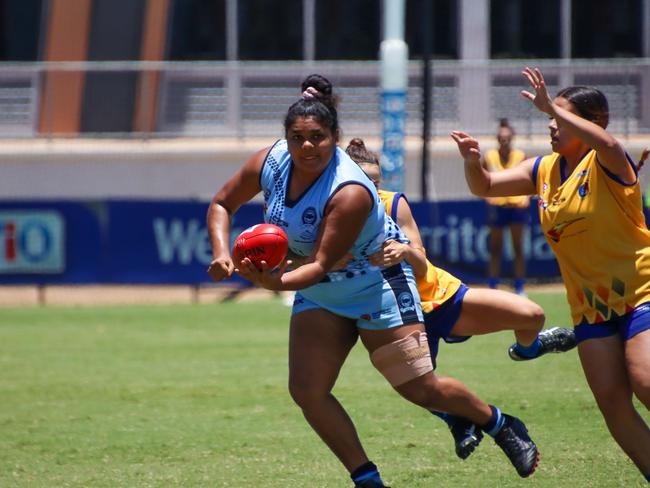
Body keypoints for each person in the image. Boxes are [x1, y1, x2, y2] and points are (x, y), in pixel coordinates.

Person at [207, 74, 540, 486]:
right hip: (321, 292)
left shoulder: (349, 190)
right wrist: (223, 254)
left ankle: (500, 423)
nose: (306, 146)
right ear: (286, 137)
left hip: (376, 287)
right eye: (297, 137)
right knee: (308, 391)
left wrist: (272, 283)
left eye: (317, 137)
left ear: (335, 137)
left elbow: (321, 264)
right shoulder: (271, 161)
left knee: (421, 389)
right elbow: (223, 202)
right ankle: (366, 479)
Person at [451, 66, 650, 483]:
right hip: (590, 308)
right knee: (613, 403)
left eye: (558, 118)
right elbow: (484, 186)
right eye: (550, 118)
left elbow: (611, 141)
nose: (551, 126)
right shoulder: (543, 169)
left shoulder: (608, 160)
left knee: (645, 381)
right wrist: (472, 162)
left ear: (590, 124)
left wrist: (553, 107)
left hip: (640, 291)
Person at [345, 137, 576, 460]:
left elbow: (422, 261)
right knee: (420, 388)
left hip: (440, 296)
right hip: (397, 315)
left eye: (376, 182)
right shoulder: (336, 214)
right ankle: (459, 420)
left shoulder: (392, 203)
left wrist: (405, 250)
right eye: (363, 182)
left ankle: (530, 348)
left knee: (532, 315)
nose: (371, 189)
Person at [483, 119, 530, 295]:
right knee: (495, 248)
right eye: (501, 138)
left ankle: (519, 286)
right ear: (497, 139)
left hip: (516, 206)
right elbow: (482, 178)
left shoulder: (520, 156)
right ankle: (493, 285)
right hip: (498, 206)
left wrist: (525, 197)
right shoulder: (489, 156)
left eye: (507, 138)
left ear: (512, 138)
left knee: (517, 247)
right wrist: (487, 197)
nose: (504, 141)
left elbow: (528, 180)